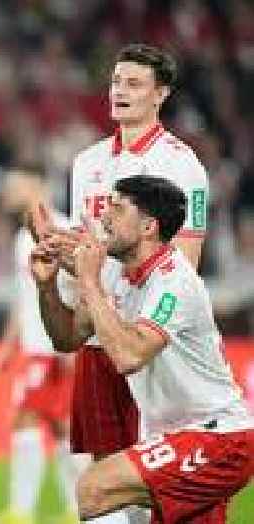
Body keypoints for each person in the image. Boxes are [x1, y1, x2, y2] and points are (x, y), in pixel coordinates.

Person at [31, 43, 208, 524]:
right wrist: (60, 250)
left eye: (134, 83)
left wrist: (127, 308)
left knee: (158, 477)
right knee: (106, 478)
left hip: (149, 341)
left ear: (161, 94)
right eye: (115, 82)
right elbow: (90, 252)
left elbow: (184, 262)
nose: (119, 92)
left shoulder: (183, 166)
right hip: (98, 338)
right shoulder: (87, 163)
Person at [33, 175, 254, 523]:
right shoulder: (120, 277)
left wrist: (89, 280)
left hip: (217, 436)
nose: (105, 216)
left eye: (118, 209)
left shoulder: (173, 281)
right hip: (173, 436)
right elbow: (67, 338)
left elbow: (129, 356)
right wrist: (47, 287)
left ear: (149, 227)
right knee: (126, 507)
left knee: (95, 487)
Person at [0, 169, 88, 524]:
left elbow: (79, 289)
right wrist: (9, 343)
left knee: (28, 420)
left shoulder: (62, 230)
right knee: (59, 426)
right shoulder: (22, 238)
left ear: (38, 186)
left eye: (17, 185)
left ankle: (23, 511)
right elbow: (24, 296)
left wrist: (73, 343)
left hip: (52, 346)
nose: (10, 191)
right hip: (33, 344)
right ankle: (75, 509)